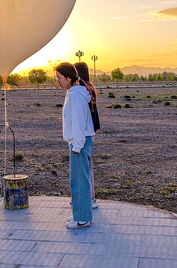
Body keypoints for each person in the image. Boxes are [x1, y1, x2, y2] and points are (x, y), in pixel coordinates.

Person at [55, 62, 95, 229]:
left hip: (80, 142)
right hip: (78, 141)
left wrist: (77, 146)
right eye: (56, 77)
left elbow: (78, 122)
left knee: (79, 181)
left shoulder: (76, 95)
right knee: (78, 180)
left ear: (69, 78)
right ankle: (80, 213)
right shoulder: (74, 92)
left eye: (59, 78)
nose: (57, 81)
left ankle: (83, 218)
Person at [74, 61, 99, 209]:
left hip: (83, 131)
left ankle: (88, 198)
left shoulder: (81, 89)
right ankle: (91, 197)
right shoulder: (90, 86)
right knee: (88, 166)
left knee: (83, 167)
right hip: (89, 130)